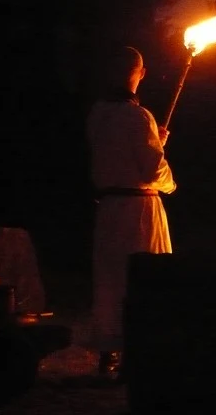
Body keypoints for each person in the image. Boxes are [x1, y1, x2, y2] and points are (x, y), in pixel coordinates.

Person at [86, 46, 176, 380]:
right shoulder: (139, 116)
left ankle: (109, 356)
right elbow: (152, 169)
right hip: (139, 211)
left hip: (109, 210)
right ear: (142, 72)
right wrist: (170, 181)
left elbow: (119, 154)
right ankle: (139, 355)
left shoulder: (97, 113)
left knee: (111, 279)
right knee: (144, 277)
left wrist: (156, 140)